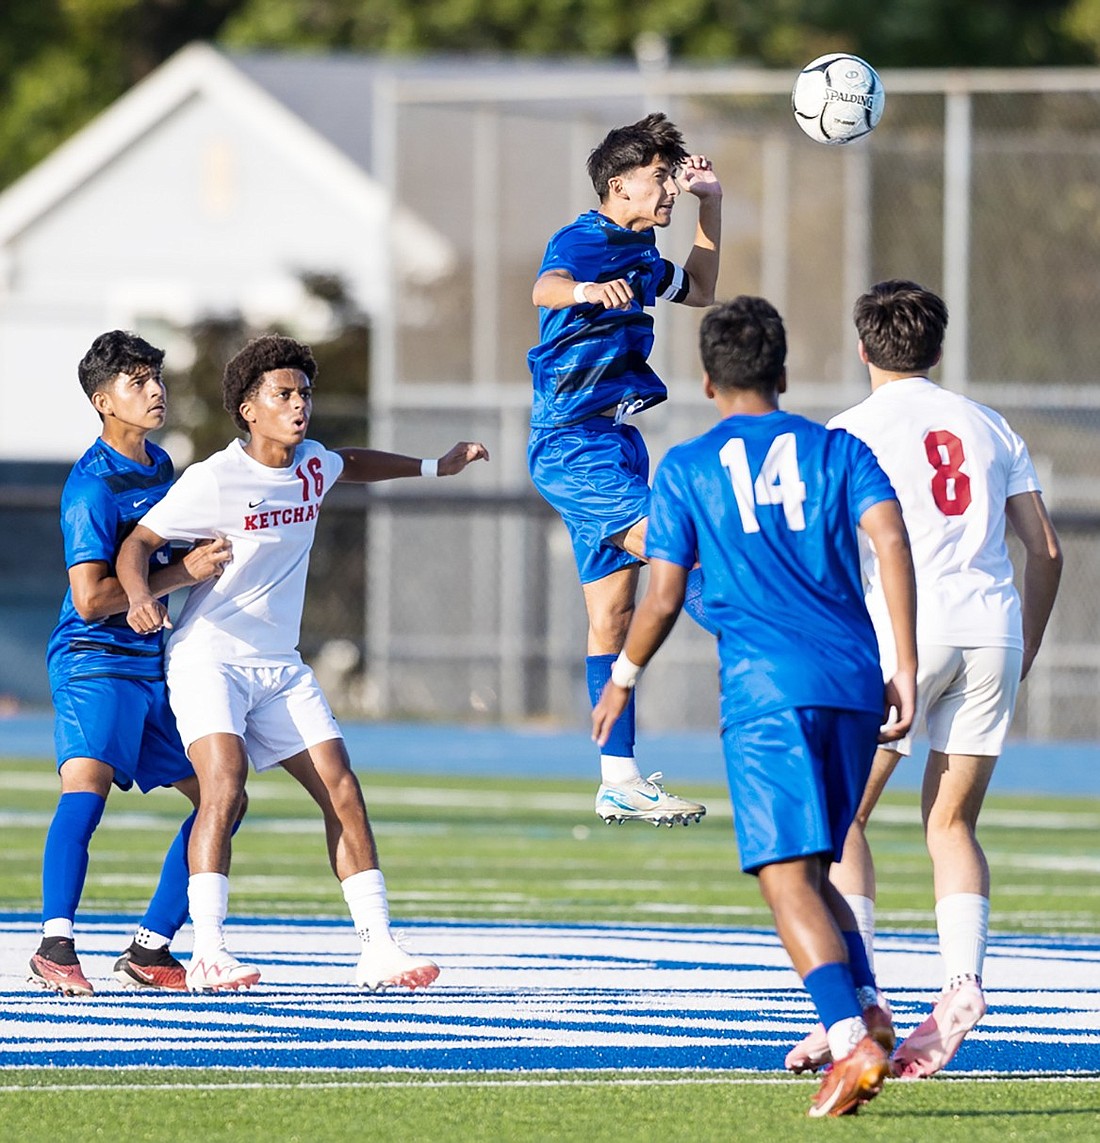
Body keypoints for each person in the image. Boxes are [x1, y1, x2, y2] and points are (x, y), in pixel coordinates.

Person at [592, 296, 918, 1117]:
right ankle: (871, 1002)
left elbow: (663, 594)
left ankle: (848, 1044)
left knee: (783, 876)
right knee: (816, 862)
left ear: (705, 380)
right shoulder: (841, 448)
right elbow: (891, 538)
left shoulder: (688, 468)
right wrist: (903, 662)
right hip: (852, 680)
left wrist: (624, 676)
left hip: (769, 693)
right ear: (781, 371)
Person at [117, 333, 489, 993]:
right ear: (248, 409)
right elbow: (139, 542)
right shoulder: (214, 478)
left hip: (278, 665)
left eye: (305, 392)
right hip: (210, 659)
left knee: (342, 788)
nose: (299, 404)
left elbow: (351, 460)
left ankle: (378, 949)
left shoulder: (314, 464)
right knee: (224, 784)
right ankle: (208, 952)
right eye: (283, 393)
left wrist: (437, 465)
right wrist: (144, 592)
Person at [784, 280, 1063, 1078]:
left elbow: (826, 559)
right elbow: (1045, 550)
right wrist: (1023, 644)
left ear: (864, 349)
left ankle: (860, 1004)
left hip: (902, 635)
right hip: (991, 631)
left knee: (842, 820)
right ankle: (963, 981)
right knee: (951, 824)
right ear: (938, 349)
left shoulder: (847, 432)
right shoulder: (988, 423)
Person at [527, 112, 722, 826]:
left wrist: (713, 204)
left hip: (613, 443)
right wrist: (582, 292)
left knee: (610, 616)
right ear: (619, 185)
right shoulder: (586, 238)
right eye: (660, 176)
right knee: (682, 550)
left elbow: (699, 290)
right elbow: (546, 285)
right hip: (572, 444)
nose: (671, 185)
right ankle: (765, 637)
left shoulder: (641, 251)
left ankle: (619, 779)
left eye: (675, 174)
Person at [30, 330, 234, 997]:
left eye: (156, 378)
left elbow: (165, 561)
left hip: (153, 662)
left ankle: (151, 946)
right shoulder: (90, 486)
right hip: (95, 660)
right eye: (137, 381)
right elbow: (91, 600)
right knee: (84, 789)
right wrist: (181, 571)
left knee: (221, 798)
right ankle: (55, 943)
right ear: (102, 400)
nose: (155, 391)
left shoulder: (160, 464)